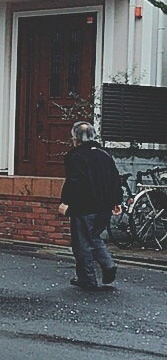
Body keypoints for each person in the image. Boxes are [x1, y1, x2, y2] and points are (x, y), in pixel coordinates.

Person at [58, 121, 124, 291]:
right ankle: (108, 264)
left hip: (84, 206)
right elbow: (115, 178)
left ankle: (87, 278)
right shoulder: (105, 154)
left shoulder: (75, 156)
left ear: (75, 139)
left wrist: (66, 202)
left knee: (81, 243)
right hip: (105, 206)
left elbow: (74, 182)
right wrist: (117, 201)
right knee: (94, 236)